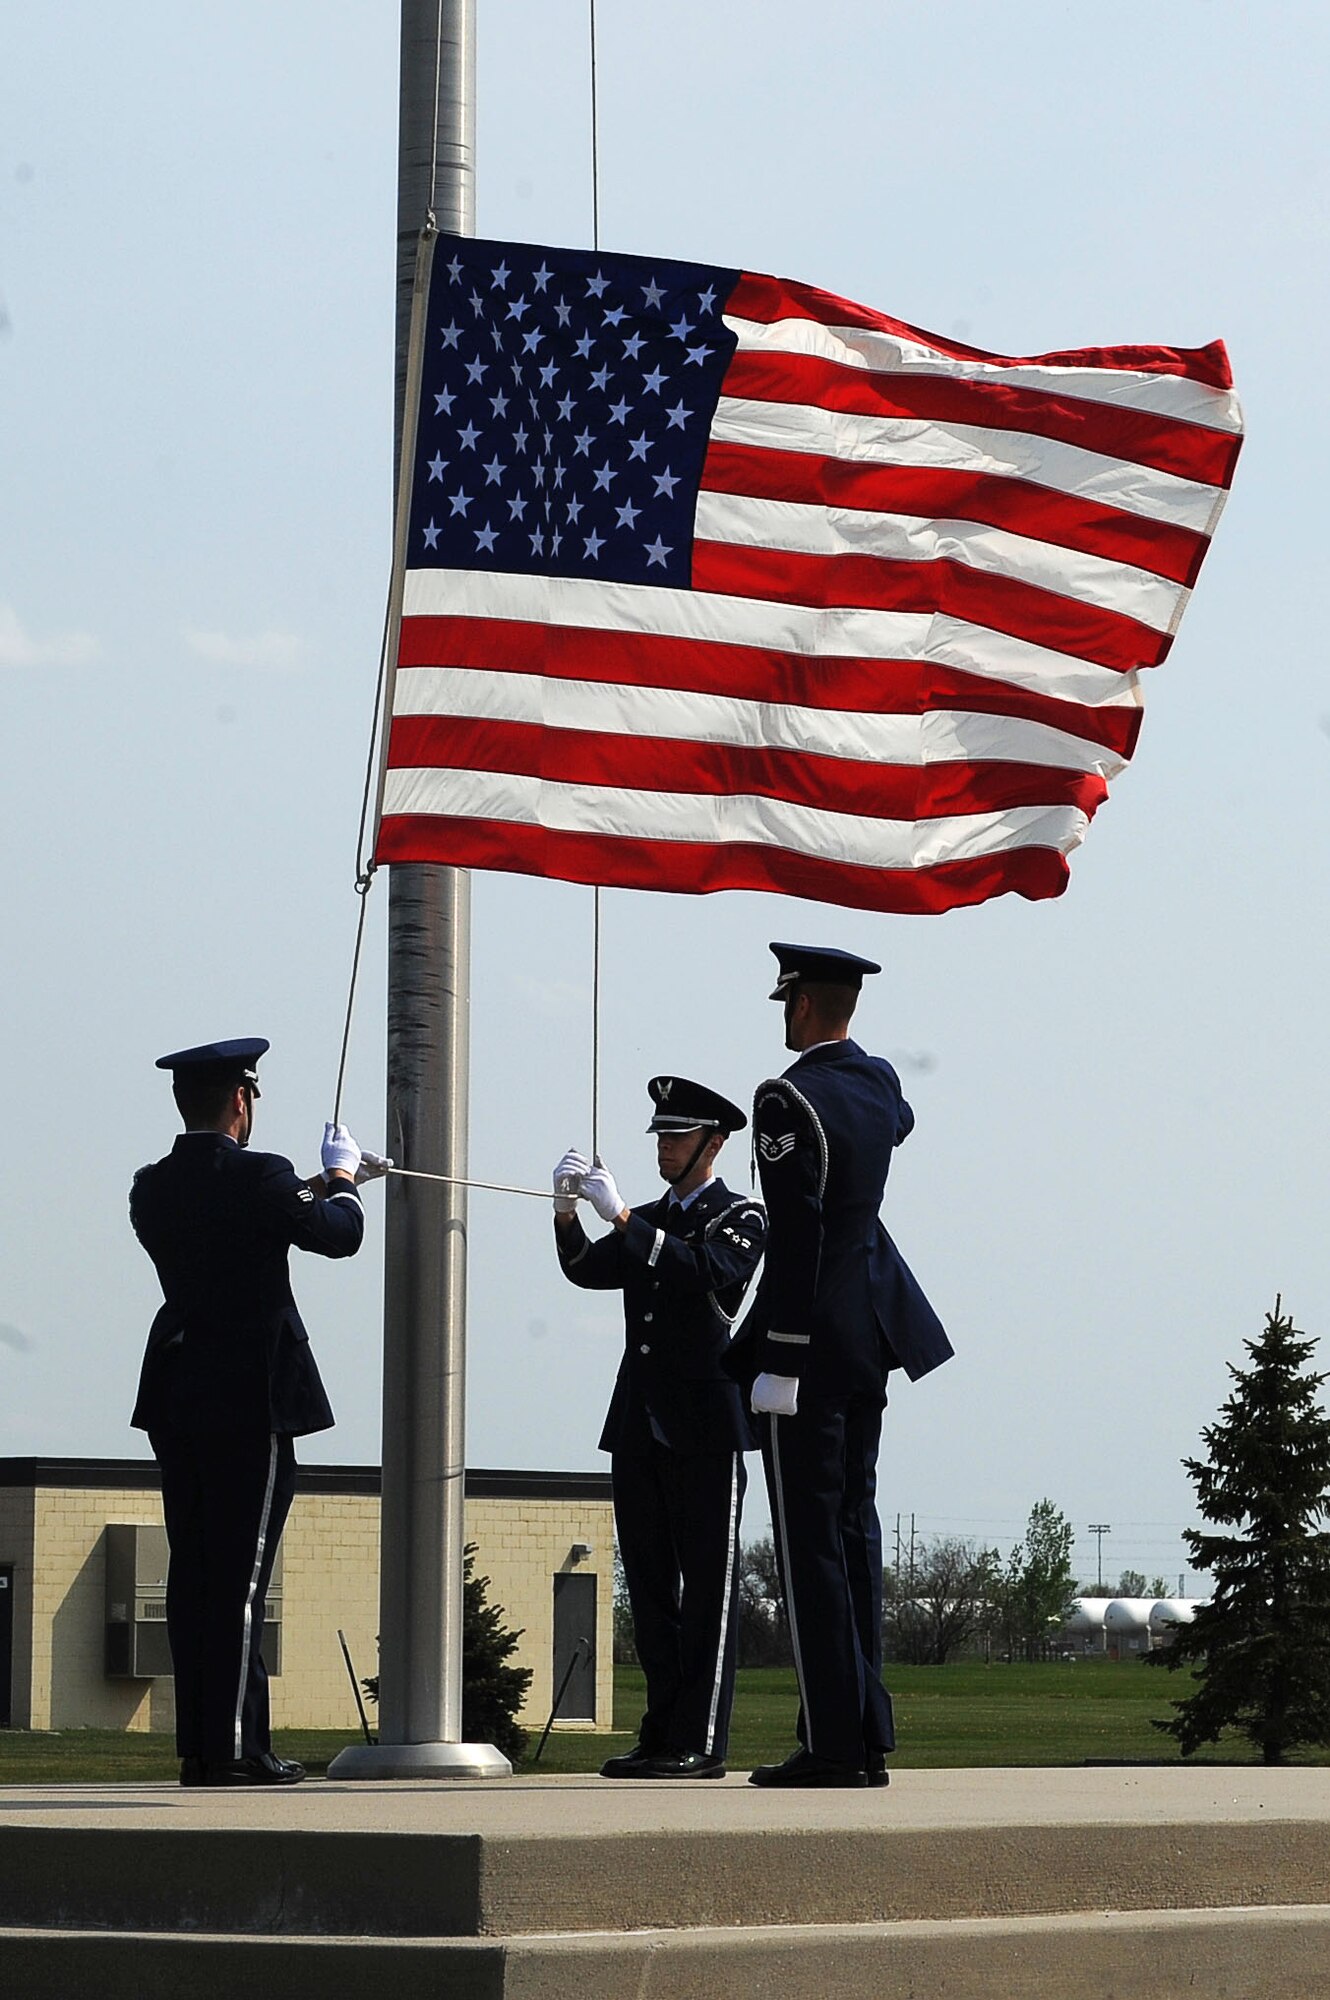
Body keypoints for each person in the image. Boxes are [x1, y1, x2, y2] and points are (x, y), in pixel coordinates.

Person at [129, 1037, 386, 1786]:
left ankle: (201, 1748)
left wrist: (319, 1184)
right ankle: (237, 1749)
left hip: (181, 1389)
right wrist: (344, 1182)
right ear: (242, 1100)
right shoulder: (262, 1175)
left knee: (194, 1576)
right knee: (240, 1580)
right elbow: (339, 1238)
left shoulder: (151, 1186)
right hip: (251, 1393)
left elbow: (236, 1216)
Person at [727, 945, 953, 1789]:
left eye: (786, 1003)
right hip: (871, 1332)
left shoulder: (785, 1100)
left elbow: (796, 1237)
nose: (782, 1017)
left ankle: (832, 1746)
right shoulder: (880, 1082)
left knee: (810, 1547)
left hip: (812, 1345)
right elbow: (897, 1126)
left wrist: (779, 1358)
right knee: (856, 1534)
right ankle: (865, 1736)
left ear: (804, 1006)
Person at [552, 1077, 766, 1778]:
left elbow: (705, 1270)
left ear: (714, 1143)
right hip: (639, 1424)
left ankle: (699, 1739)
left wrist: (621, 1219)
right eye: (661, 1137)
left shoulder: (739, 1215)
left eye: (678, 1137)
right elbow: (586, 1270)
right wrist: (566, 1213)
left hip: (706, 1427)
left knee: (706, 1591)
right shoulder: (642, 1220)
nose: (665, 1148)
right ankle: (661, 1732)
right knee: (649, 1593)